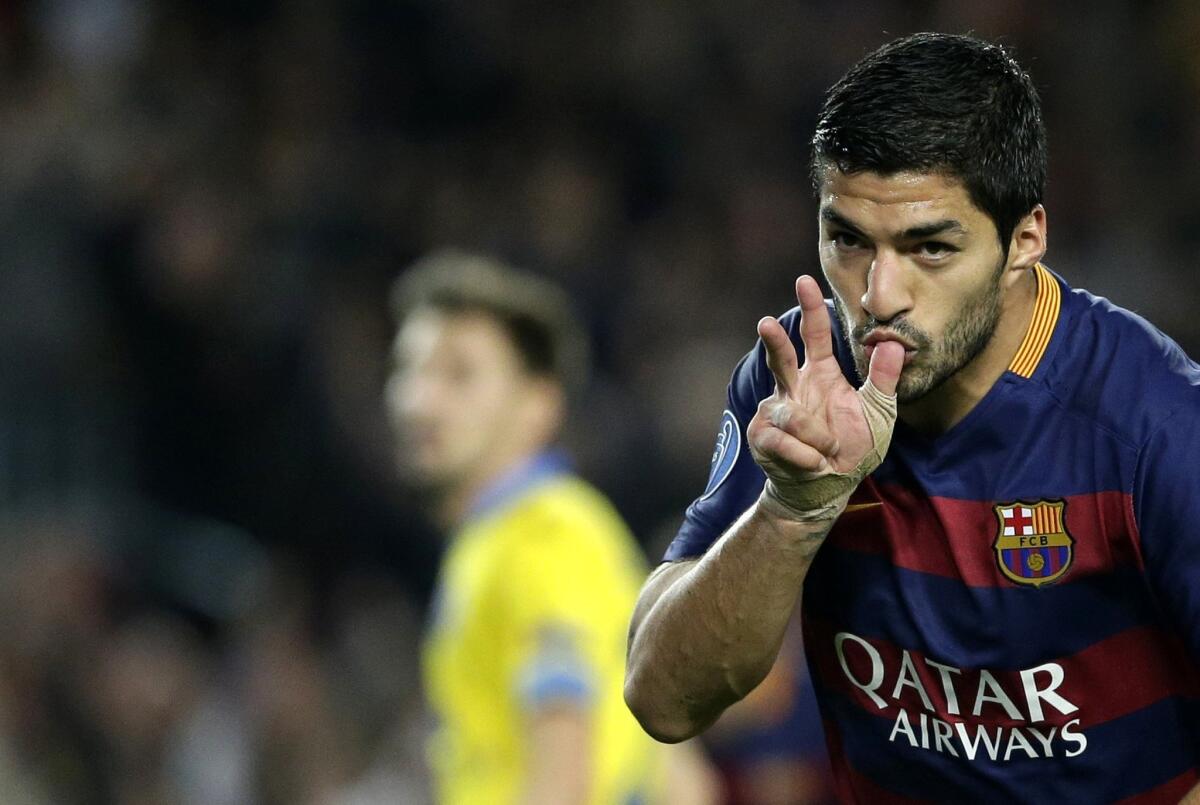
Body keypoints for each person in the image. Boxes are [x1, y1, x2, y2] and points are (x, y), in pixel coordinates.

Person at [624, 32, 1200, 803]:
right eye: (848, 240)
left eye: (929, 247)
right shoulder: (799, 380)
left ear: (1025, 238)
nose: (878, 295)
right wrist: (794, 511)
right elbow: (663, 699)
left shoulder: (1152, 423)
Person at [385, 251, 717, 805]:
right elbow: (683, 779)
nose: (419, 400)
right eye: (408, 368)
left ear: (538, 406)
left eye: (458, 373)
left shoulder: (540, 535)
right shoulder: (560, 530)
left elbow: (564, 770)